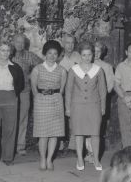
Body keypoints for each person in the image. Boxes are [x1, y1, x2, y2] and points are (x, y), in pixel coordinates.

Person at [65, 41, 107, 171]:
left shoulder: (98, 70)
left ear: (93, 55)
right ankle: (79, 159)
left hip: (94, 106)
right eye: (84, 55)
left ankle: (96, 159)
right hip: (77, 106)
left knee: (95, 134)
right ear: (80, 55)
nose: (87, 57)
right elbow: (68, 90)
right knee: (78, 134)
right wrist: (67, 108)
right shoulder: (73, 70)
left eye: (89, 55)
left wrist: (103, 107)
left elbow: (103, 91)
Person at [0, 41, 24, 166]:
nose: (5, 53)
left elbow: (21, 84)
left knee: (9, 130)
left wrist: (14, 95)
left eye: (7, 50)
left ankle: (8, 158)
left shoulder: (15, 67)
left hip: (11, 98)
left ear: (11, 52)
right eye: (2, 50)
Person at [30, 40, 67, 171]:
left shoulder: (62, 70)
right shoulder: (37, 69)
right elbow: (34, 87)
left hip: (56, 102)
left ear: (58, 55)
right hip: (41, 102)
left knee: (54, 134)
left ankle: (49, 159)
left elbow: (62, 89)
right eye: (49, 53)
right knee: (43, 134)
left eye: (55, 53)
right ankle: (42, 159)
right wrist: (38, 98)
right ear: (45, 53)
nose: (52, 56)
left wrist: (56, 97)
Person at [12, 34, 42, 156]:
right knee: (10, 118)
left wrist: (31, 76)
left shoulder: (29, 56)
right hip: (8, 92)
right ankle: (8, 145)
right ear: (13, 42)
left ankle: (20, 146)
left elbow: (42, 66)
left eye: (22, 42)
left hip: (24, 91)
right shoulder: (7, 53)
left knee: (23, 118)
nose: (20, 44)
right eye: (17, 42)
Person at [85, 41, 115, 163]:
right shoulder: (84, 65)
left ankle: (94, 153)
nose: (96, 53)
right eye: (94, 51)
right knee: (85, 127)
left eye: (98, 51)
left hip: (98, 101)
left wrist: (99, 95)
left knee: (96, 128)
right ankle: (89, 152)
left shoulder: (107, 67)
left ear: (102, 53)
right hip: (84, 101)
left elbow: (110, 85)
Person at [59, 33, 81, 151]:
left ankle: (73, 144)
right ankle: (60, 142)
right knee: (60, 115)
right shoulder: (58, 55)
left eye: (72, 43)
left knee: (74, 116)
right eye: (67, 43)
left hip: (74, 91)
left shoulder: (78, 56)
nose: (70, 45)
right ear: (63, 43)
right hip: (60, 91)